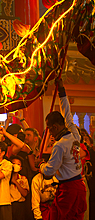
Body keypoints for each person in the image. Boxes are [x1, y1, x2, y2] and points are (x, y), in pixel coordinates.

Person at [39, 79, 87, 220]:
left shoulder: (59, 145)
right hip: (80, 186)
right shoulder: (74, 134)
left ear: (54, 127)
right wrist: (61, 91)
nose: (50, 132)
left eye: (49, 128)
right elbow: (67, 114)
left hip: (68, 189)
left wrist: (40, 165)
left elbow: (49, 171)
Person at [9, 155, 29, 220]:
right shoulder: (5, 178)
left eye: (18, 164)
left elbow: (25, 194)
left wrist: (15, 182)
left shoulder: (23, 179)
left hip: (20, 205)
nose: (15, 165)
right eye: (13, 163)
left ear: (20, 168)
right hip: (9, 205)